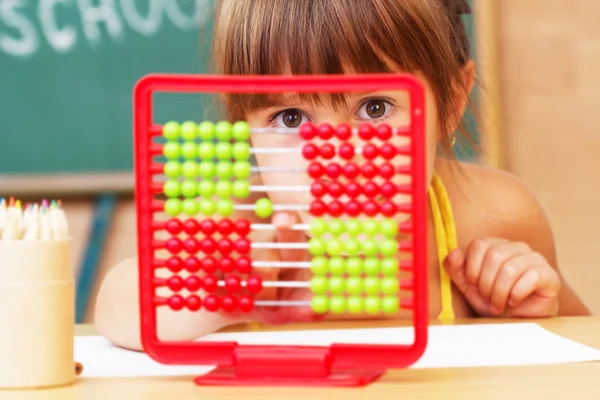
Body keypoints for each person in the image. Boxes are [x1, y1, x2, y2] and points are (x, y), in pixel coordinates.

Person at [94, 0, 590, 351]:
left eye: (374, 108)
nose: (333, 156)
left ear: (453, 102)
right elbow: (116, 308)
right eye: (290, 119)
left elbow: (581, 346)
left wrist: (527, 314)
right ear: (242, 123)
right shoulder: (239, 224)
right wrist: (223, 294)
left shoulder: (491, 215)